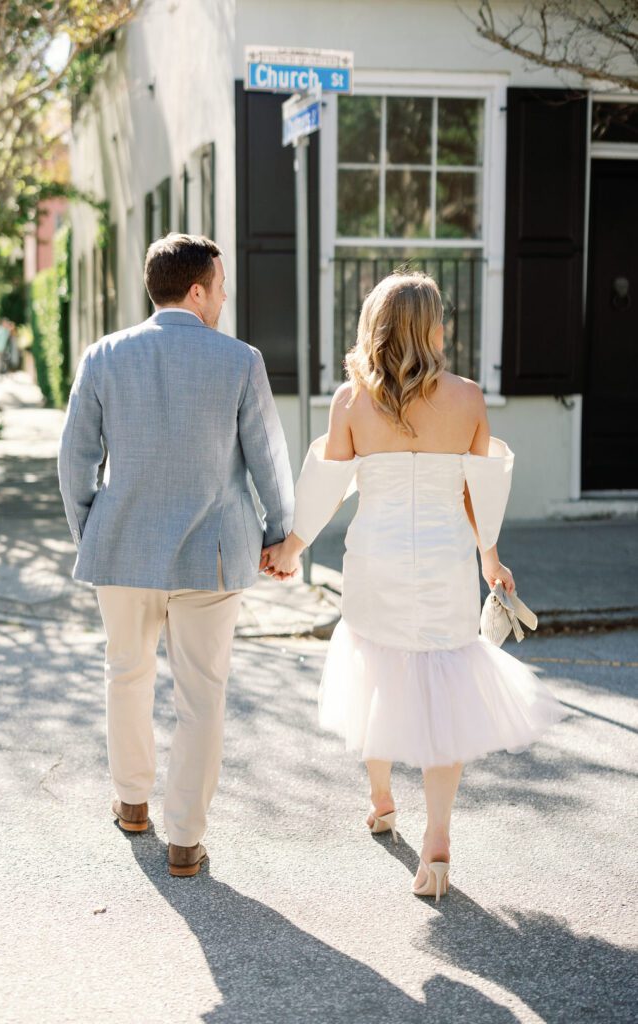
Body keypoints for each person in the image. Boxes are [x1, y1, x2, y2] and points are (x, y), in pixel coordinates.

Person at [262, 272, 563, 902]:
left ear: (375, 325)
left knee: (375, 671)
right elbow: (480, 493)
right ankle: (439, 839)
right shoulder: (470, 399)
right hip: (444, 562)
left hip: (374, 559)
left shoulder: (350, 402)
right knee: (444, 686)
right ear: (430, 328)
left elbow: (325, 487)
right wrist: (491, 561)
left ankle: (380, 803)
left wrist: (291, 548)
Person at [58, 234, 294, 877]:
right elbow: (268, 457)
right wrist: (281, 533)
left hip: (122, 548)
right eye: (220, 286)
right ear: (197, 291)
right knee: (202, 697)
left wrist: (92, 532)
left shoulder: (102, 356)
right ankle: (185, 839)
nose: (224, 297)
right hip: (211, 557)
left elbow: (73, 459)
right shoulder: (240, 360)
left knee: (125, 675)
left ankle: (133, 804)